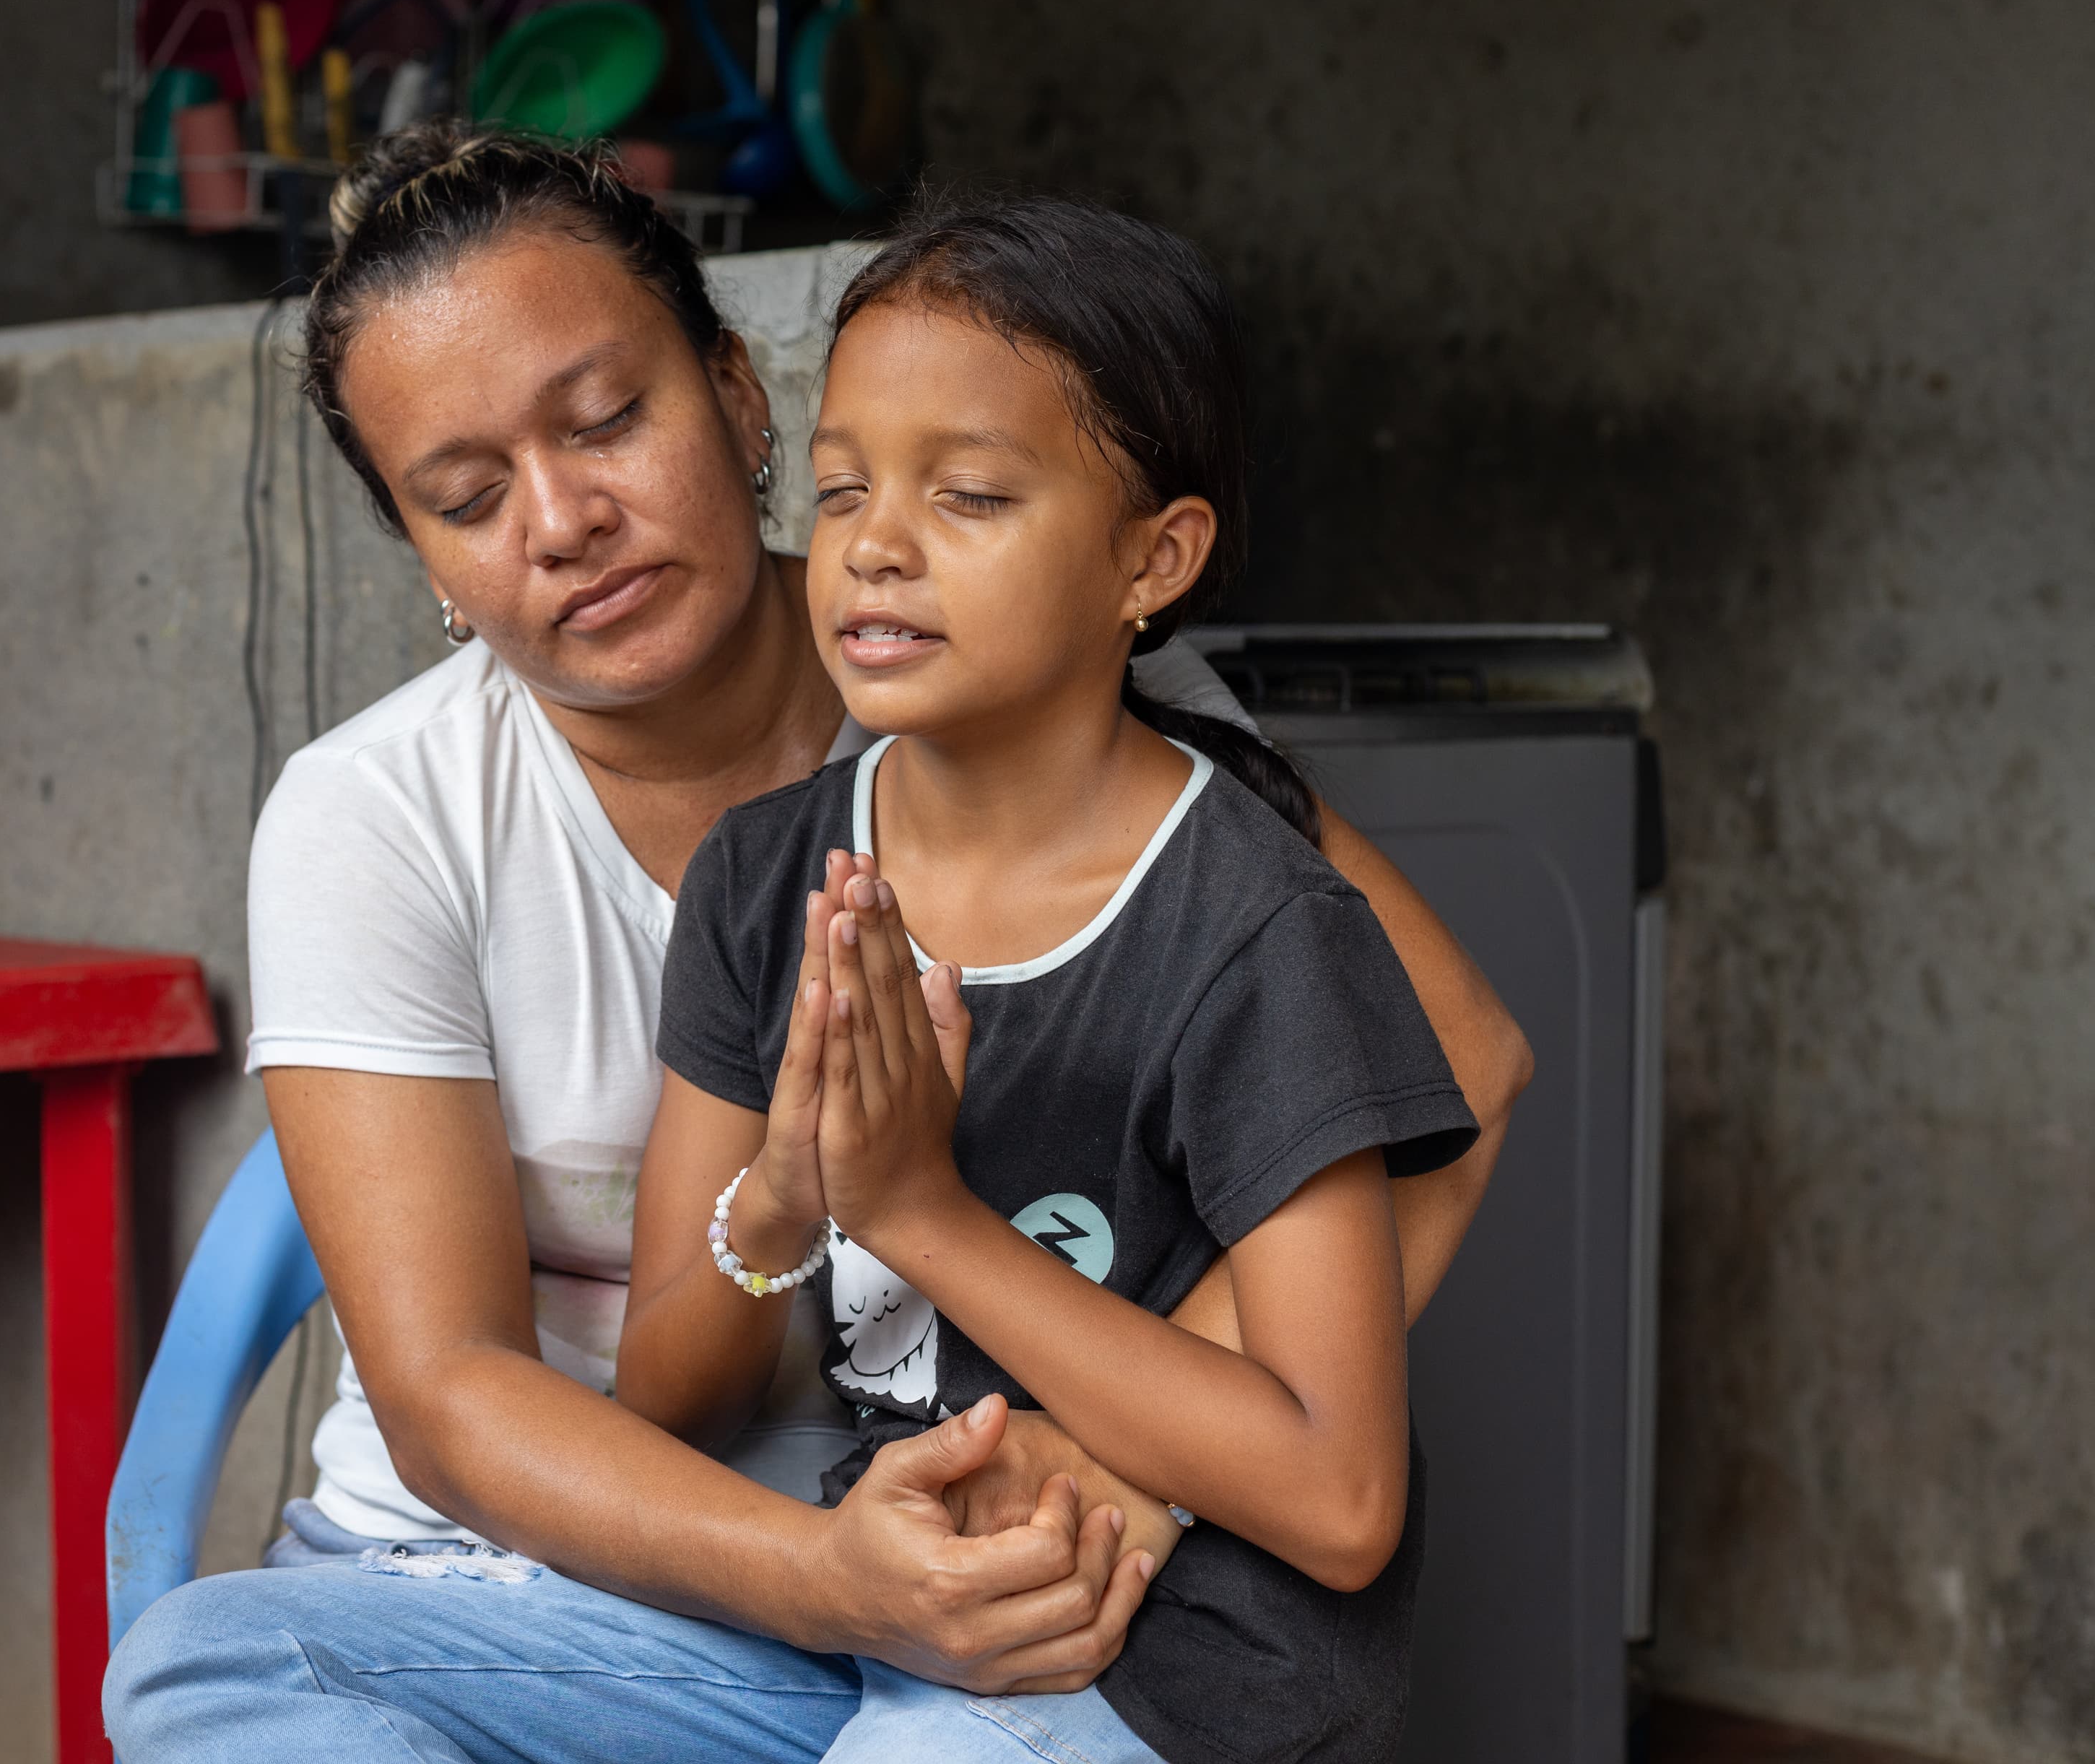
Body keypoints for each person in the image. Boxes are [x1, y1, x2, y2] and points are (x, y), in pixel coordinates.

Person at [103, 126, 1532, 1762]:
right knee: (212, 1665)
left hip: (998, 1573)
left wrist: (1120, 1455)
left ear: (737, 393)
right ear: (423, 554)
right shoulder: (397, 817)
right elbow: (455, 1398)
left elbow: (1455, 1061)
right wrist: (834, 1557)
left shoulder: (1057, 680)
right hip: (587, 1586)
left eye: (609, 418)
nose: (562, 520)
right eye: (469, 495)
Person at [619, 193, 1462, 1763]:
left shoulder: (1253, 924)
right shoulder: (764, 880)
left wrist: (922, 1209)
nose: (872, 540)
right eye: (844, 484)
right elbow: (666, 1404)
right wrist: (796, 1196)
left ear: (1157, 559)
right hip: (874, 1603)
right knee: (241, 1656)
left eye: (973, 495)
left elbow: (1345, 1501)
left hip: (1172, 1657)